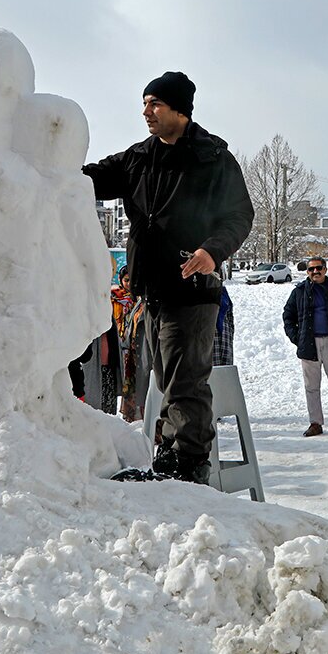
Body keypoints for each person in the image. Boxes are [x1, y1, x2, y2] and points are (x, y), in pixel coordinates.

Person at [83, 71, 254, 484]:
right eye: (144, 103)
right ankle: (169, 455)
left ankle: (189, 463)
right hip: (153, 291)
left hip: (193, 290)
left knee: (184, 381)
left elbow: (240, 215)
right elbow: (92, 178)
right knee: (164, 378)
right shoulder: (140, 157)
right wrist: (51, 163)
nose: (146, 112)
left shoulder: (212, 157)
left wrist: (211, 251)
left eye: (155, 104)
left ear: (180, 110)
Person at [282, 257, 328, 437]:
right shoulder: (299, 292)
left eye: (319, 268)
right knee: (311, 387)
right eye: (311, 269)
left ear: (325, 269)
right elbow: (288, 316)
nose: (315, 272)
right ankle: (315, 423)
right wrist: (297, 338)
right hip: (309, 344)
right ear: (307, 272)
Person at [112, 272, 145, 421]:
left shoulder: (137, 300)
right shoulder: (113, 297)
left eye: (131, 280)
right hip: (118, 341)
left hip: (133, 346)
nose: (129, 283)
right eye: (126, 280)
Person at [212, 284, 235, 367]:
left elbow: (229, 315)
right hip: (206, 344)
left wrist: (230, 334)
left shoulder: (222, 290)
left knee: (225, 375)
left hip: (225, 343)